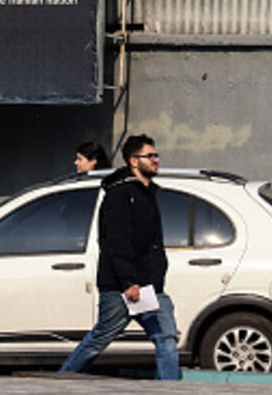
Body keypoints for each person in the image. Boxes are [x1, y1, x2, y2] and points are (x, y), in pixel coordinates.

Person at [59, 134, 179, 380]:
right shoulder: (120, 195)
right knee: (100, 338)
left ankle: (171, 389)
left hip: (150, 285)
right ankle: (61, 381)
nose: (156, 160)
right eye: (150, 156)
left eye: (156, 155)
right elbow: (117, 243)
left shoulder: (148, 192)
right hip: (122, 287)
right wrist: (128, 282)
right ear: (134, 161)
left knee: (166, 337)